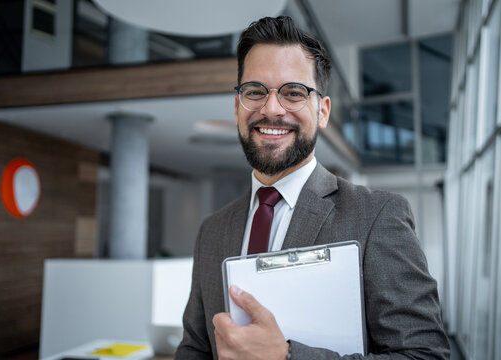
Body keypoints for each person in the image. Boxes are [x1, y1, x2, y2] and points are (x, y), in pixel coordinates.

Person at [175, 16, 450, 360]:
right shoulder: (212, 231)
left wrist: (287, 356)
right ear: (237, 107)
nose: (271, 109)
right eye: (255, 92)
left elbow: (424, 354)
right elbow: (195, 348)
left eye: (293, 93)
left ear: (322, 111)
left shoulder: (377, 216)